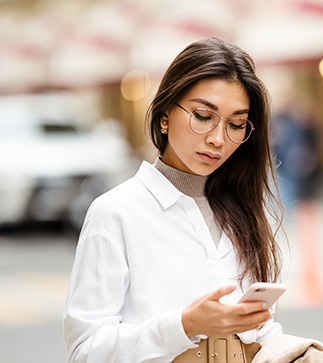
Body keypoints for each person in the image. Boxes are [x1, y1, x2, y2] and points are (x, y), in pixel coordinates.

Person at [63, 38, 284, 362]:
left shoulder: (243, 213)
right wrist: (184, 325)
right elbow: (84, 352)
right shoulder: (116, 213)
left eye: (236, 124)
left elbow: (263, 334)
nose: (218, 138)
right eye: (203, 116)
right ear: (165, 114)